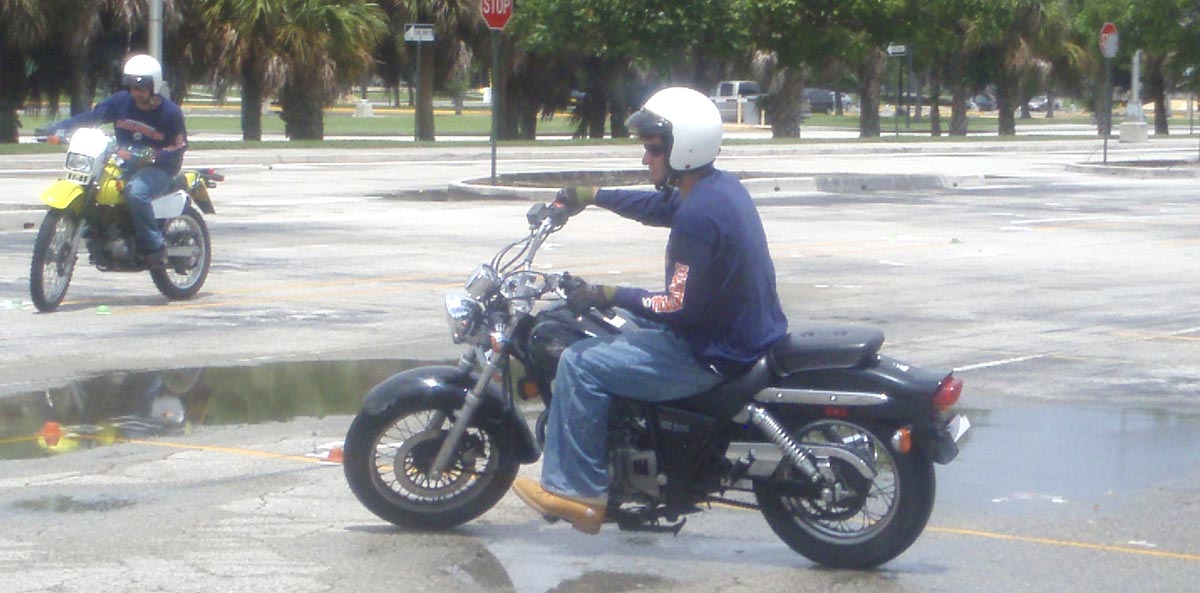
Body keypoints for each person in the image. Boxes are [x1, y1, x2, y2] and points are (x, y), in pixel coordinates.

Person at [510, 86, 789, 534]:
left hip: (711, 350)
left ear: (683, 149)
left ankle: (578, 493)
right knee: (613, 326)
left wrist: (607, 292)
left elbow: (676, 307)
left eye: (654, 149)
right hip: (735, 330)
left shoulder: (697, 219)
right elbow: (658, 206)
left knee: (581, 363)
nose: (646, 159)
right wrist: (593, 195)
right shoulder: (717, 188)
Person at [49, 53, 188, 267]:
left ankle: (154, 246)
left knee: (136, 193)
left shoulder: (170, 113)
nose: (136, 93)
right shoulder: (120, 102)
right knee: (95, 186)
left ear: (154, 86)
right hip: (124, 162)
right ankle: (103, 235)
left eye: (141, 88)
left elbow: (179, 146)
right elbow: (92, 117)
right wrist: (59, 128)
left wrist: (154, 155)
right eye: (132, 87)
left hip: (159, 169)